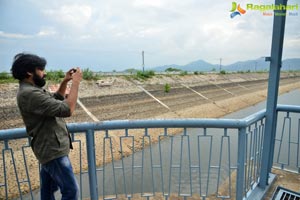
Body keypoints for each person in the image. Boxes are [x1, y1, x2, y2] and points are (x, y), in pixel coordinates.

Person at [11, 53, 82, 200]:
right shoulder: (29, 93)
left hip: (48, 148)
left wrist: (65, 81)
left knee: (48, 190)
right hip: (52, 150)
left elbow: (56, 100)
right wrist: (75, 83)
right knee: (71, 190)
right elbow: (67, 109)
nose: (44, 73)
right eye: (41, 69)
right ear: (29, 72)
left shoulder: (32, 90)